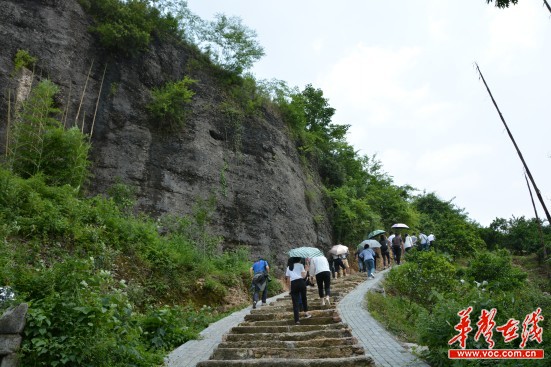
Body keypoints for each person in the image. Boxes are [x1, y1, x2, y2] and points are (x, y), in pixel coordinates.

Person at [286, 257, 312, 324]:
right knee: (304, 299)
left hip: (294, 284)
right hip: (301, 283)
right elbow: (303, 276)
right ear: (299, 259)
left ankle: (297, 320)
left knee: (295, 303)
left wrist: (289, 289)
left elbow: (288, 280)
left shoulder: (289, 267)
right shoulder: (300, 265)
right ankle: (306, 313)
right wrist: (306, 270)